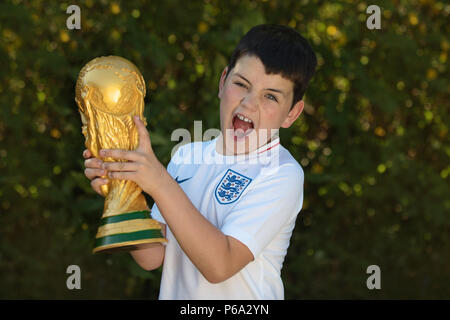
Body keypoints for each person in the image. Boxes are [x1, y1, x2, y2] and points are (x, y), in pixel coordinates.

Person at [82, 24, 317, 299]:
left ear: (291, 114)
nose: (249, 103)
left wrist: (159, 182)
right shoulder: (187, 156)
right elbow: (153, 257)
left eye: (270, 96)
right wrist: (121, 193)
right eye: (241, 84)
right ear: (223, 82)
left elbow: (220, 265)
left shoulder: (282, 174)